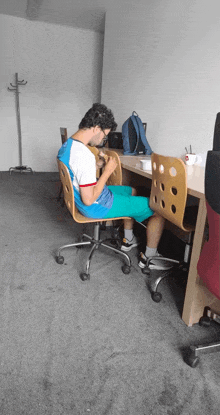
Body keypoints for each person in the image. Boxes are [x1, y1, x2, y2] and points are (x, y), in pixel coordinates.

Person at [57, 103, 166, 270]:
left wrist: (98, 165)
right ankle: (149, 258)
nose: (102, 140)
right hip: (95, 206)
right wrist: (107, 172)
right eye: (104, 136)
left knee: (133, 191)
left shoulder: (69, 146)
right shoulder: (83, 155)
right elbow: (88, 199)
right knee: (158, 208)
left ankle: (128, 240)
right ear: (96, 128)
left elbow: (76, 175)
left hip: (88, 197)